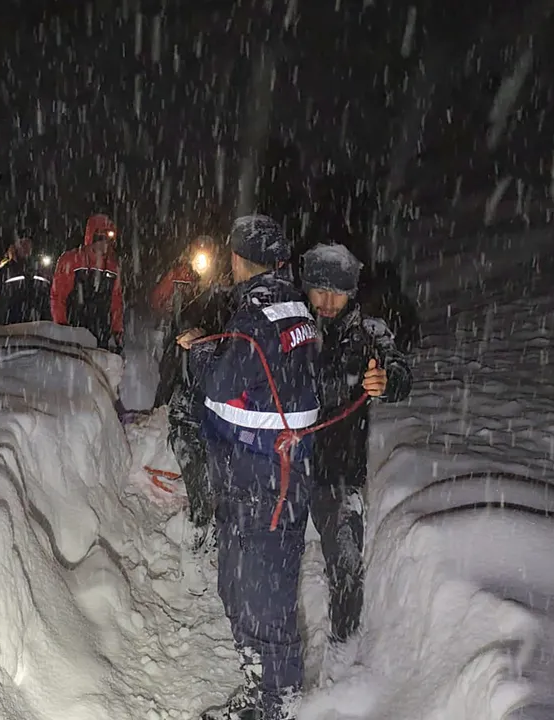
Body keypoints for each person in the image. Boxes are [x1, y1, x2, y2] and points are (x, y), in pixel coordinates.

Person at [179, 214, 321, 720]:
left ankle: (276, 705)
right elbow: (261, 375)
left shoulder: (254, 316)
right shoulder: (296, 308)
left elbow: (220, 387)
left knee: (261, 600)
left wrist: (198, 351)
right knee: (248, 588)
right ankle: (264, 692)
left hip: (261, 481)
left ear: (239, 259)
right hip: (275, 475)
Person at [300, 243, 411, 653]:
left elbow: (399, 369)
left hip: (340, 470)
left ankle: (343, 654)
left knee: (346, 562)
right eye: (319, 291)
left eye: (338, 293)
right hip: (287, 466)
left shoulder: (369, 331)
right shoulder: (293, 325)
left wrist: (387, 380)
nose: (328, 302)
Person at [160, 283, 233, 593]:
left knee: (224, 490)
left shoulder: (238, 342)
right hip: (187, 423)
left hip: (218, 427)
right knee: (201, 497)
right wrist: (196, 336)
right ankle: (190, 558)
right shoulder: (196, 344)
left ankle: (215, 542)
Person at [50, 213, 125, 352]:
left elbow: (116, 301)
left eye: (108, 240)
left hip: (102, 332)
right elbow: (58, 296)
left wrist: (117, 330)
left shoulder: (113, 266)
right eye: (101, 239)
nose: (105, 245)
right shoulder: (71, 260)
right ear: (92, 238)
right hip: (75, 330)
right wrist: (61, 327)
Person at [149, 235, 219, 321]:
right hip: (181, 326)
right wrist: (165, 306)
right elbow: (157, 298)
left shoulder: (218, 279)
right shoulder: (179, 275)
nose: (200, 262)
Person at [0, 232, 53, 325]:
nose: (26, 247)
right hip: (11, 323)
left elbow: (49, 292)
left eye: (28, 244)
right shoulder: (5, 267)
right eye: (22, 243)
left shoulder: (39, 268)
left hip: (37, 322)